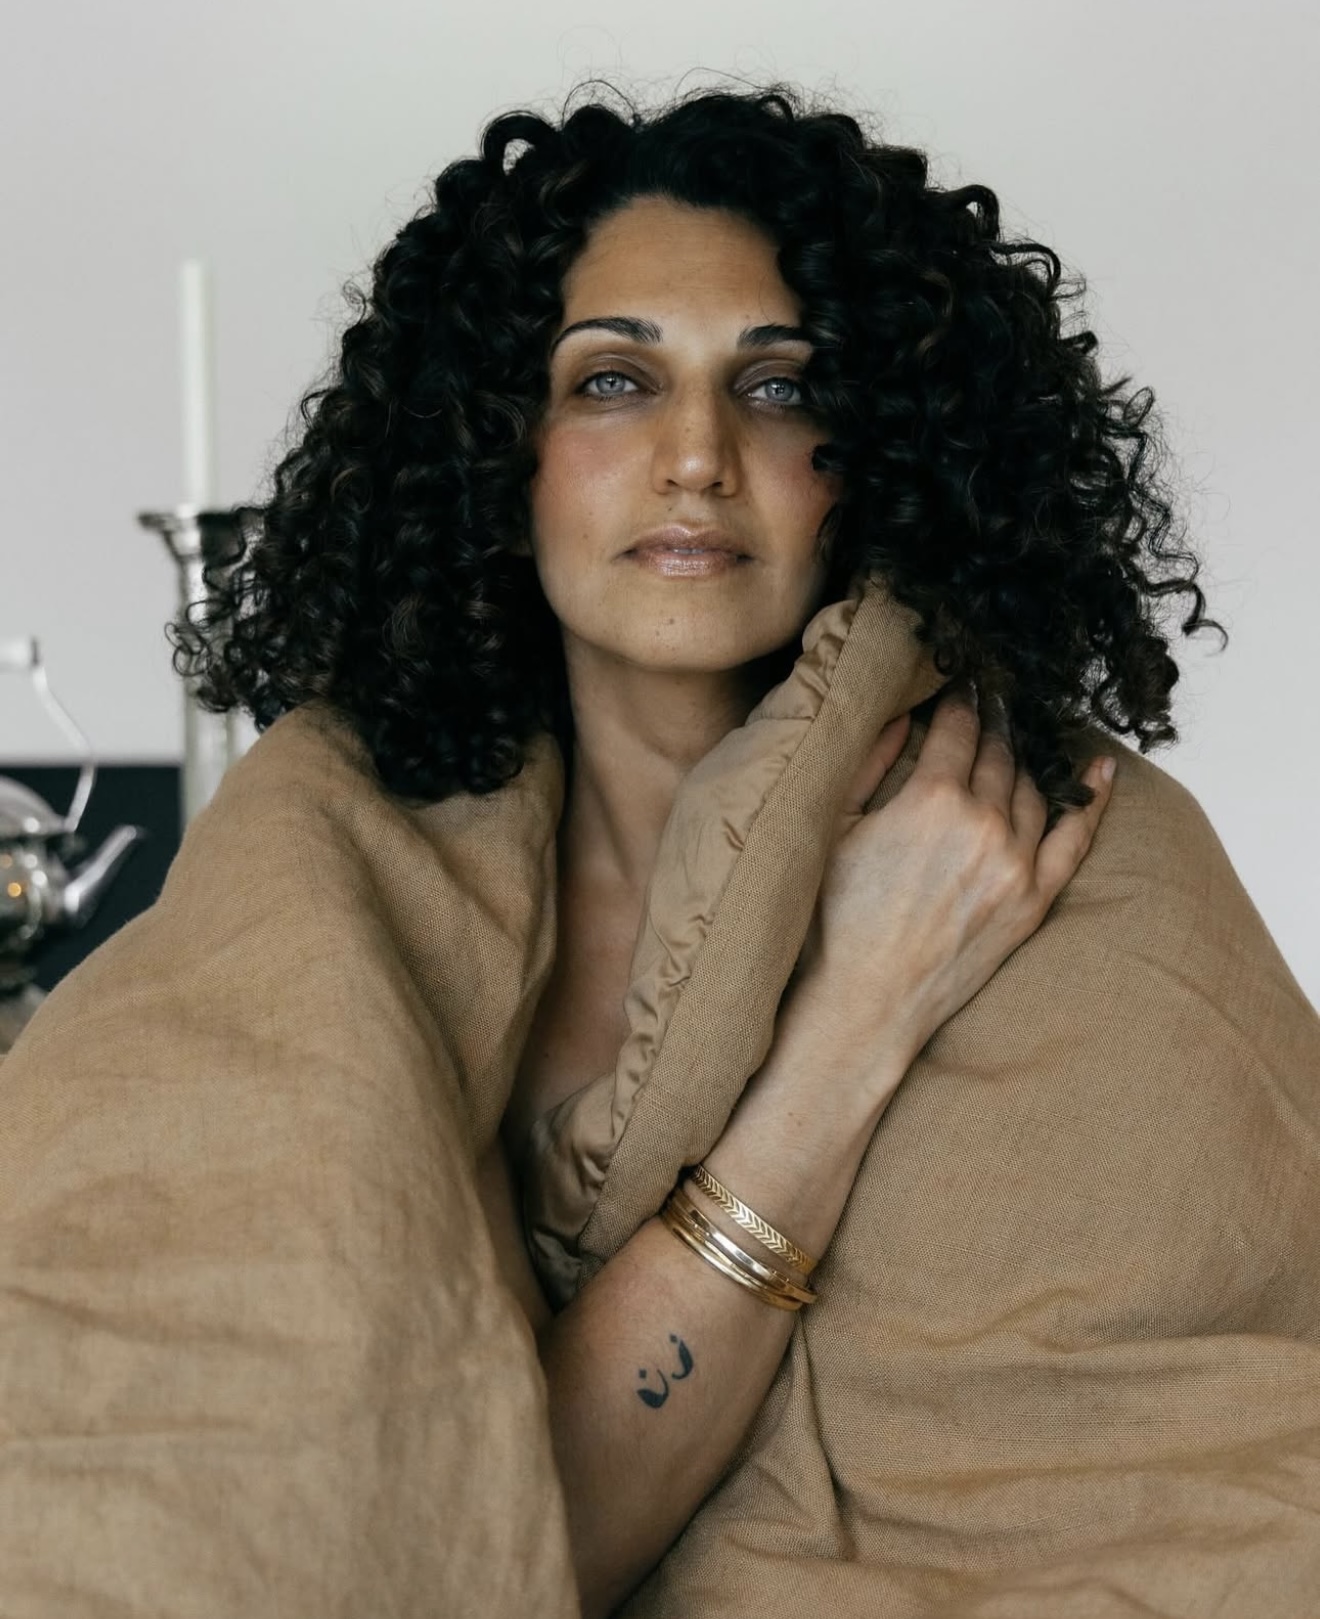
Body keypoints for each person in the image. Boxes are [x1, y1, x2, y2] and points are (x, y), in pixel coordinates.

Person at [2, 84, 1317, 1619]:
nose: (698, 455)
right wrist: (853, 1029)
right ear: (500, 454)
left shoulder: (1059, 830)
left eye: (778, 388)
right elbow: (396, 1542)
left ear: (872, 458)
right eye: (614, 381)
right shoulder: (327, 862)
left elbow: (1182, 1463)